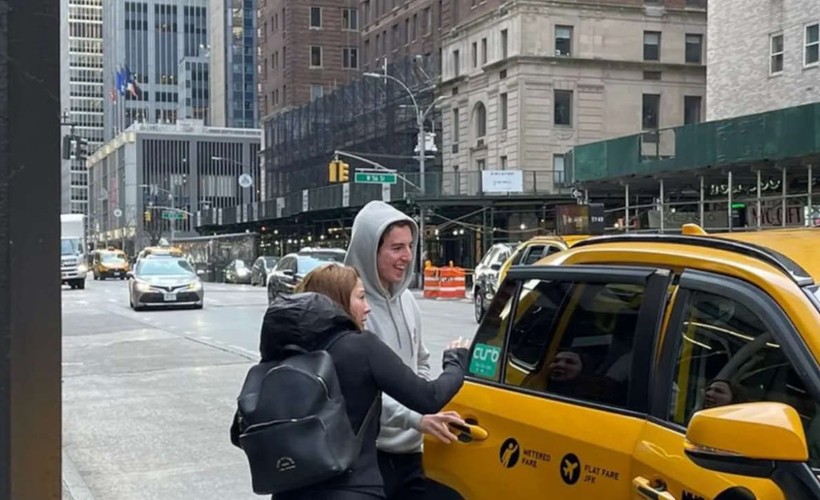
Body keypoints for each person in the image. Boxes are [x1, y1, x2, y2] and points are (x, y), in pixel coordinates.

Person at [254, 263, 470, 500]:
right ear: (338, 301)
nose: (367, 308)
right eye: (360, 297)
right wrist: (456, 362)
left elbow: (245, 428)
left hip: (290, 491)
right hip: (353, 490)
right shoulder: (360, 347)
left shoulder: (283, 350)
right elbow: (429, 398)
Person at [345, 201, 466, 500]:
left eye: (410, 246)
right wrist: (414, 416)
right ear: (370, 249)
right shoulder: (353, 309)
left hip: (412, 451)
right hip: (369, 455)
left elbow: (420, 361)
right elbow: (359, 389)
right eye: (397, 248)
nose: (407, 257)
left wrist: (414, 404)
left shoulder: (408, 302)